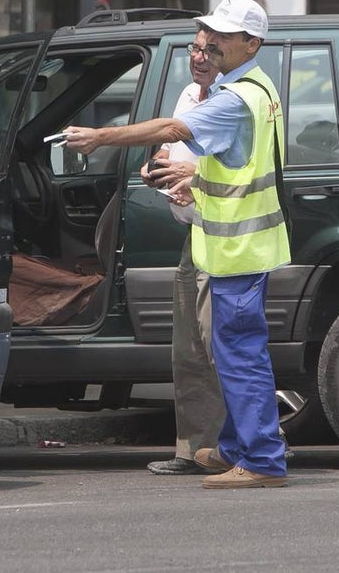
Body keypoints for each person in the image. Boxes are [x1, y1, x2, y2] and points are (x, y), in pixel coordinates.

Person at [64, 0, 290, 489]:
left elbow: (171, 129)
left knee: (240, 357)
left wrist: (99, 137)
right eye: (209, 35)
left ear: (252, 43)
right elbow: (235, 168)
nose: (213, 44)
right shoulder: (255, 87)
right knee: (232, 355)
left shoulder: (235, 98)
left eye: (224, 37)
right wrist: (198, 182)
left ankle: (262, 460)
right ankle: (236, 448)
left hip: (237, 251)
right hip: (237, 247)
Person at [143, 30, 226, 476]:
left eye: (210, 50)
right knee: (189, 348)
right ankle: (195, 449)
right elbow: (169, 146)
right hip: (194, 233)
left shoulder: (234, 100)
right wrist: (158, 165)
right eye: (196, 48)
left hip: (224, 236)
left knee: (224, 347)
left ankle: (259, 443)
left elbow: (241, 165)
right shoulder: (190, 95)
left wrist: (193, 178)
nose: (200, 57)